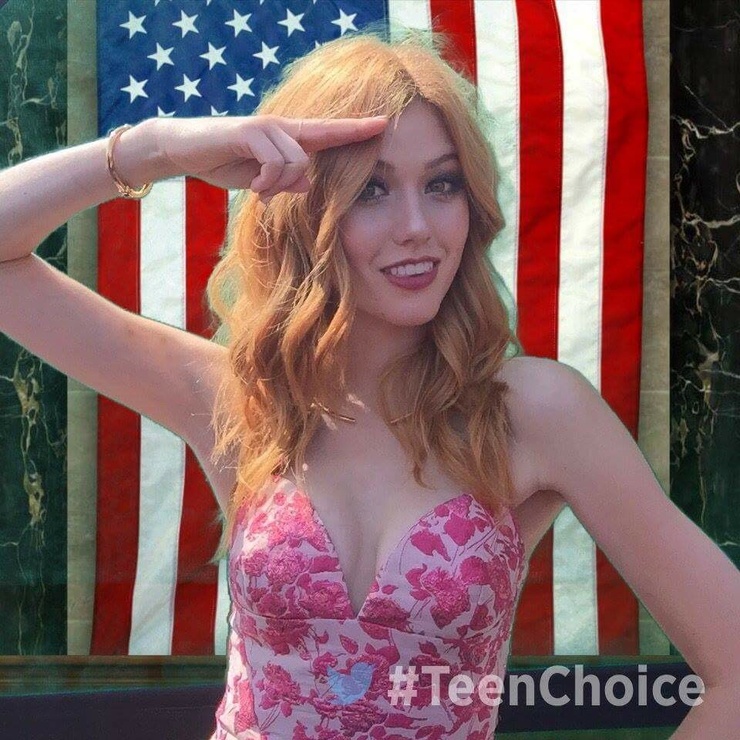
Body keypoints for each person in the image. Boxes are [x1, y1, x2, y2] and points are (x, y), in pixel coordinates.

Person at [0, 28, 738, 740]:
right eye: (372, 190)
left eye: (442, 184)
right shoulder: (242, 401)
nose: (416, 226)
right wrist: (156, 148)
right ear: (307, 212)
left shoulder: (532, 412)